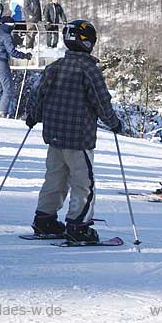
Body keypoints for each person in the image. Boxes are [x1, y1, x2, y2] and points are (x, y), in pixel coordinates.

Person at [26, 20, 122, 243]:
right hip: (79, 140)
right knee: (83, 182)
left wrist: (33, 116)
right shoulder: (89, 70)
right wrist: (113, 123)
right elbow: (101, 102)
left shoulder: (55, 67)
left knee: (55, 179)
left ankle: (44, 220)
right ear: (88, 43)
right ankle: (78, 226)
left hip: (54, 137)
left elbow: (38, 95)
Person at [0, 16, 32, 118]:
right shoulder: (6, 36)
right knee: (8, 89)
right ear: (10, 26)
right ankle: (2, 113)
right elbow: (12, 52)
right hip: (1, 63)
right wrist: (24, 55)